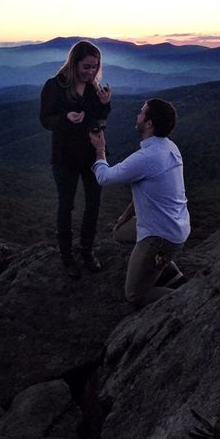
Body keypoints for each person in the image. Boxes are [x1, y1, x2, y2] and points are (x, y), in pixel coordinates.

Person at [89, 98, 190, 307]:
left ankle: (190, 297)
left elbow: (105, 178)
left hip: (160, 235)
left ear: (150, 123)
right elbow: (150, 191)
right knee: (119, 232)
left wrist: (100, 149)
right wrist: (125, 216)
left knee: (136, 295)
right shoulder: (170, 147)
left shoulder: (147, 157)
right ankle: (164, 267)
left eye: (142, 113)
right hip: (175, 227)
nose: (138, 115)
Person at [40, 40, 112, 277]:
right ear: (74, 63)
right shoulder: (55, 86)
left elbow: (99, 118)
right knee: (66, 205)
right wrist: (65, 118)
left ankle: (87, 250)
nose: (91, 72)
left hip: (92, 153)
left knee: (93, 204)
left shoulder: (93, 87)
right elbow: (45, 119)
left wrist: (105, 104)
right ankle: (67, 255)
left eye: (95, 67)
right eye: (86, 67)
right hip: (66, 155)